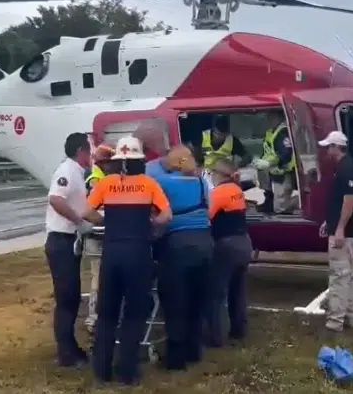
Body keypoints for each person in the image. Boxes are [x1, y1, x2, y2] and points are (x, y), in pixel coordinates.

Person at [83, 136, 172, 385]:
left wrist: (106, 222)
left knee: (107, 313)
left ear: (117, 161)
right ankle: (127, 372)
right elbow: (166, 215)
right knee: (134, 313)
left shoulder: (107, 183)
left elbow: (86, 212)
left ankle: (101, 370)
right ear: (140, 161)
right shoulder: (148, 184)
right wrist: (151, 225)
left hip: (112, 253)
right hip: (138, 253)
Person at [146, 145, 213, 370]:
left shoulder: (164, 183)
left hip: (178, 246)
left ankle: (176, 359)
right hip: (205, 243)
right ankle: (194, 351)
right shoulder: (201, 182)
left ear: (173, 163)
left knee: (175, 303)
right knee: (196, 301)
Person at [45, 132, 94, 367]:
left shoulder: (77, 171)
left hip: (69, 241)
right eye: (89, 150)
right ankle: (66, 354)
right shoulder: (67, 170)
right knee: (67, 298)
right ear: (80, 151)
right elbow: (56, 199)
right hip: (61, 241)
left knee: (72, 297)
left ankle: (70, 347)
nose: (91, 155)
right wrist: (78, 221)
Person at [206, 158, 252, 346]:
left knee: (216, 293)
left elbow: (208, 215)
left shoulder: (219, 193)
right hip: (244, 243)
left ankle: (215, 337)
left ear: (219, 174)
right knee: (237, 289)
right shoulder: (237, 190)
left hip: (227, 245)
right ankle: (238, 329)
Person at [317, 130, 353, 333]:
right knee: (347, 276)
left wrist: (340, 228)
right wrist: (330, 221)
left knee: (338, 276)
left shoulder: (346, 169)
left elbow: (348, 201)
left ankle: (335, 321)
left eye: (328, 147)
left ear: (336, 147)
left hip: (343, 232)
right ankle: (350, 317)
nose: (326, 150)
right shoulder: (345, 166)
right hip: (341, 228)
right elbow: (339, 201)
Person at [83, 143, 116, 334]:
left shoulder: (100, 176)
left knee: (99, 276)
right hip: (97, 234)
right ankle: (94, 318)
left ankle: (98, 317)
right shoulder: (96, 179)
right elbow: (94, 208)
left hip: (98, 233)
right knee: (98, 277)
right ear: (104, 163)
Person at [252, 110, 296, 215]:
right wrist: (259, 160)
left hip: (283, 171)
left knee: (281, 207)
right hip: (273, 172)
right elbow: (268, 149)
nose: (268, 119)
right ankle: (269, 204)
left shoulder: (283, 132)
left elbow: (286, 154)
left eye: (271, 116)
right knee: (271, 195)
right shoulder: (271, 131)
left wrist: (268, 163)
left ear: (278, 117)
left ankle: (296, 203)